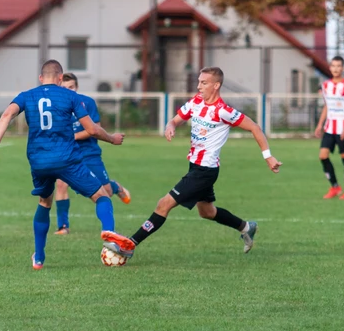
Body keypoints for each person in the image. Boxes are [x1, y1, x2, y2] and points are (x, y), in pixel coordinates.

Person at [101, 67, 282, 259]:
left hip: (205, 171)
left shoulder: (223, 111)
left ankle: (130, 244)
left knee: (164, 204)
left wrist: (268, 156)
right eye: (199, 81)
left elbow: (255, 127)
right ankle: (246, 227)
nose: (198, 86)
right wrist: (170, 126)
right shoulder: (195, 102)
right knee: (207, 211)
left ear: (216, 85)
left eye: (204, 83)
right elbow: (176, 120)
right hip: (195, 167)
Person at [0, 60, 125, 270]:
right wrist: (112, 138)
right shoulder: (71, 96)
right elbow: (93, 129)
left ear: (41, 78)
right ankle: (111, 238)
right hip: (67, 159)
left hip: (39, 161)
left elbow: (7, 115)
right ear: (60, 78)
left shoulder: (27, 95)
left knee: (44, 202)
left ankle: (39, 258)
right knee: (101, 197)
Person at [54, 72, 131, 235]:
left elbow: (95, 129)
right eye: (65, 88)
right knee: (60, 184)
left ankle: (115, 186)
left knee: (106, 192)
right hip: (67, 155)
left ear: (77, 87)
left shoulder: (87, 103)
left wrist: (72, 137)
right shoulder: (56, 106)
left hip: (89, 153)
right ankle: (63, 227)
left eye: (71, 87)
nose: (69, 91)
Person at [314, 56, 344, 199]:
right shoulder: (326, 85)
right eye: (333, 66)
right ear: (330, 68)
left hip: (343, 129)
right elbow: (327, 106)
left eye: (339, 66)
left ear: (343, 68)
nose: (336, 68)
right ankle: (335, 187)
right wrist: (320, 125)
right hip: (329, 128)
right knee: (323, 156)